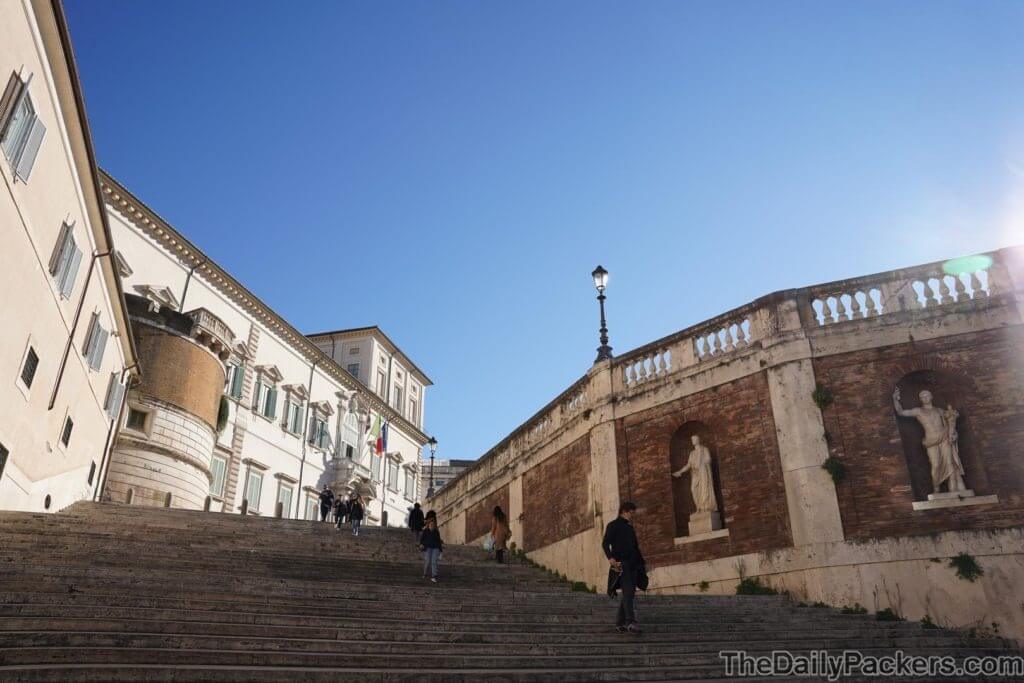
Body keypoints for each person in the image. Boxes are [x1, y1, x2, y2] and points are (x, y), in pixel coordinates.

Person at [602, 501, 644, 634]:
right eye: (631, 513)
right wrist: (611, 558)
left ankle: (620, 623)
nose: (632, 516)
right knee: (628, 592)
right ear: (624, 511)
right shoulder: (613, 525)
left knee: (629, 593)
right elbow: (605, 543)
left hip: (632, 564)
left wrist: (642, 564)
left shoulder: (630, 528)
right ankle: (630, 622)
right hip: (621, 564)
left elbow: (635, 549)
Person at [419, 514, 443, 583]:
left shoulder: (436, 532)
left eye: (433, 524)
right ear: (428, 524)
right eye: (431, 524)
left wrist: (441, 551)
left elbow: (439, 542)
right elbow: (422, 539)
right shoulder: (425, 531)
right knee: (428, 561)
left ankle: (434, 576)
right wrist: (421, 544)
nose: (432, 525)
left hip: (435, 548)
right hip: (428, 548)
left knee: (434, 561)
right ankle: (425, 573)